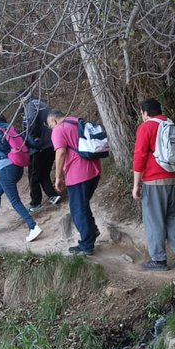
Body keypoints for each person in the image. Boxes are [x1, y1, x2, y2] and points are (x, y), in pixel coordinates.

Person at [133, 98, 175, 271]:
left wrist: (136, 184)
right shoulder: (170, 125)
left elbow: (140, 156)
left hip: (154, 180)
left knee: (154, 220)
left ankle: (158, 260)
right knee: (170, 216)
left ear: (145, 112)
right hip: (173, 178)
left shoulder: (146, 127)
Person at [0, 111, 43, 243]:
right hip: (18, 167)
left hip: (5, 169)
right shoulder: (11, 128)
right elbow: (29, 141)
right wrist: (39, 143)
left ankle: (33, 226)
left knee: (15, 200)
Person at [47, 108, 102, 255]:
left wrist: (58, 177)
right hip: (94, 170)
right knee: (82, 205)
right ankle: (92, 231)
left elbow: (61, 152)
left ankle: (86, 246)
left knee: (78, 210)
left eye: (50, 125)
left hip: (79, 174)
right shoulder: (76, 121)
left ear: (53, 121)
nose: (51, 128)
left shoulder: (58, 129)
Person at [22, 94, 62, 211]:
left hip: (40, 147)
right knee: (43, 173)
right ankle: (53, 196)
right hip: (50, 144)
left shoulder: (31, 106)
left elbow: (31, 121)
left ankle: (35, 203)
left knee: (33, 175)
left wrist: (34, 137)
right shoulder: (41, 104)